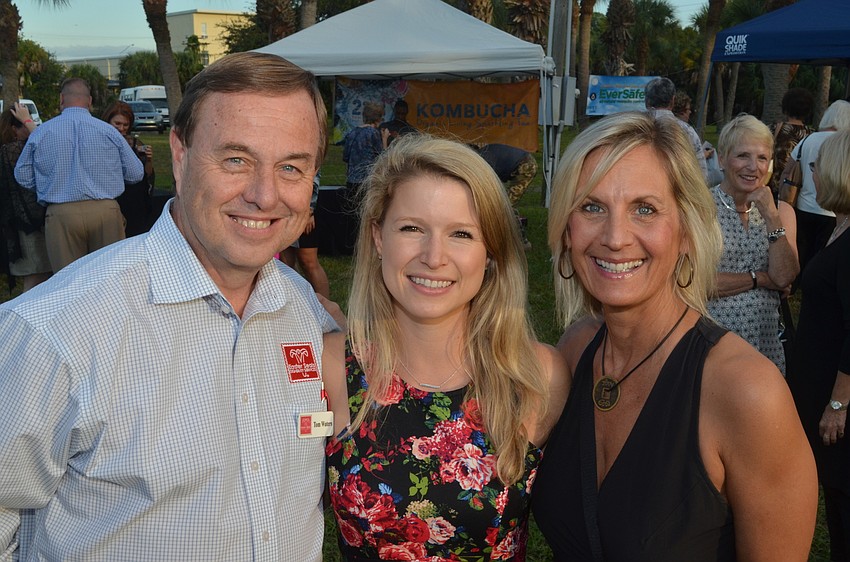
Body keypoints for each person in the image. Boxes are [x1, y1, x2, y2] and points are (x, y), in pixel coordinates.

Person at [0, 52, 337, 561]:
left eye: (291, 167)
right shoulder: (52, 333)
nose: (265, 195)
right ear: (180, 155)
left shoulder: (303, 310)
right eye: (236, 160)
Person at [533, 111, 816, 560]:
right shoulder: (575, 350)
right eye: (591, 206)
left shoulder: (747, 392)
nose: (615, 237)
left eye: (644, 209)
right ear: (567, 230)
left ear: (686, 230)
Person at [323, 134, 568, 560]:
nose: (434, 256)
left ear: (490, 252)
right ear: (378, 237)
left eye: (461, 234)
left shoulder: (536, 375)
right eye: (412, 228)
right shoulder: (331, 366)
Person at [788, 130, 850, 561]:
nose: (810, 174)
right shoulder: (837, 226)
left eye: (816, 167)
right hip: (821, 392)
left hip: (838, 406)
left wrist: (838, 404)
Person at [14, 78, 143, 272]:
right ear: (89, 101)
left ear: (61, 99)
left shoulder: (42, 133)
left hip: (61, 213)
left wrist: (46, 184)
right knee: (109, 278)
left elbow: (22, 174)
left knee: (68, 281)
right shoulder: (109, 131)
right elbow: (136, 173)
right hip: (105, 211)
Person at [707, 114, 798, 375]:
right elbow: (696, 283)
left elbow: (785, 277)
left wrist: (771, 217)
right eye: (743, 155)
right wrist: (761, 278)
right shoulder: (701, 209)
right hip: (713, 341)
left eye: (762, 158)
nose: (753, 167)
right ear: (722, 159)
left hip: (766, 340)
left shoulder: (782, 211)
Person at [786, 99, 850, 277]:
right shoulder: (843, 145)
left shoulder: (809, 139)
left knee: (804, 253)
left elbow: (788, 170)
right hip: (831, 215)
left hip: (805, 206)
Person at [0, 105, 50, 292]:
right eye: (26, 126)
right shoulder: (15, 150)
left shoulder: (6, 150)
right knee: (37, 276)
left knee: (36, 276)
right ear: (15, 129)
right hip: (29, 222)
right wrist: (29, 122)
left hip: (17, 223)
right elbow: (47, 143)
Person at [342, 100, 389, 254]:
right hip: (367, 182)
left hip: (351, 181)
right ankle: (365, 247)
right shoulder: (373, 134)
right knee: (367, 217)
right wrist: (384, 140)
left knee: (352, 216)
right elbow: (382, 159)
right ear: (378, 118)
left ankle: (351, 247)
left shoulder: (352, 133)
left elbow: (345, 157)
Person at [102, 101, 155, 236]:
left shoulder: (135, 143)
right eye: (117, 124)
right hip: (114, 198)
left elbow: (147, 175)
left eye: (125, 125)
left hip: (135, 200)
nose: (121, 128)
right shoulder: (101, 142)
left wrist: (148, 159)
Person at [644, 77, 709, 184]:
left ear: (646, 102)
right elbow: (702, 173)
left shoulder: (633, 128)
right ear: (673, 101)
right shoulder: (687, 131)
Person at [281, 173, 330, 298]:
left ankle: (324, 304)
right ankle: (291, 299)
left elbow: (313, 177)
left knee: (308, 261)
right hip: (284, 208)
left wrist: (310, 210)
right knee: (285, 262)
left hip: (305, 210)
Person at [768, 87, 815, 193]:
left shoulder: (774, 129)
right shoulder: (812, 135)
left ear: (786, 108)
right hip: (800, 191)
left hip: (775, 188)